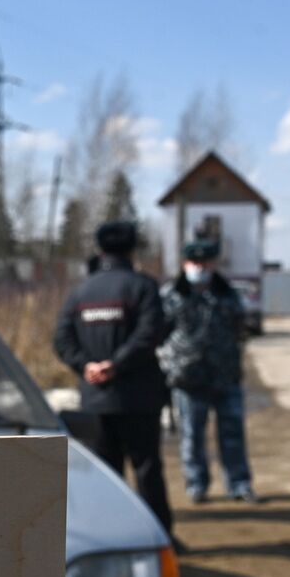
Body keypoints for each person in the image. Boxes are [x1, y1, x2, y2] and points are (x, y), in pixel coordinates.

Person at [53, 220, 174, 534]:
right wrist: (115, 365)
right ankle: (157, 538)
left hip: (96, 400)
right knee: (147, 470)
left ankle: (110, 537)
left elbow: (62, 340)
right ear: (133, 250)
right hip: (139, 399)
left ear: (99, 249)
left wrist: (87, 366)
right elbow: (150, 334)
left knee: (106, 476)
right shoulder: (143, 287)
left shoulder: (80, 293)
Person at [158, 238, 256, 504]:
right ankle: (196, 484)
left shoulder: (227, 294)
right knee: (192, 436)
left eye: (205, 262)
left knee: (233, 433)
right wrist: (172, 364)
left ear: (214, 264)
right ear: (184, 264)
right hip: (188, 378)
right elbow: (159, 333)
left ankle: (239, 484)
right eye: (194, 262)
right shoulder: (172, 295)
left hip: (225, 375)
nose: (200, 267)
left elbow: (241, 327)